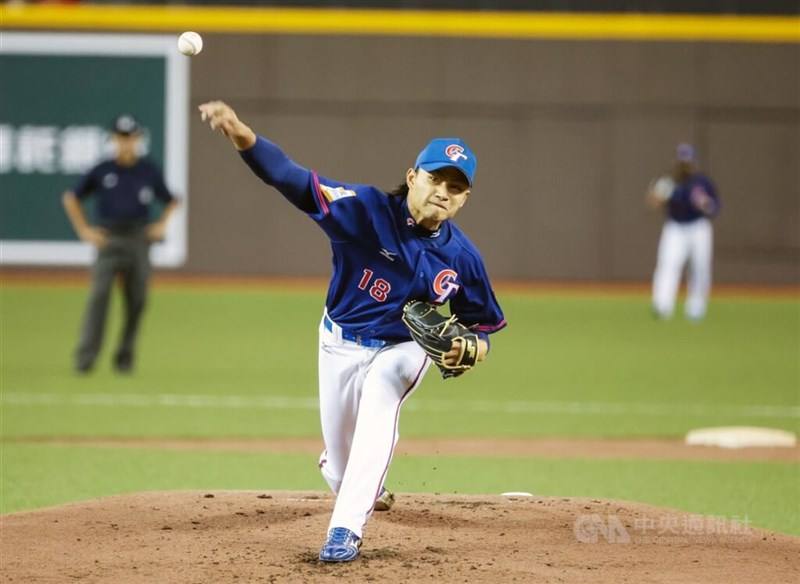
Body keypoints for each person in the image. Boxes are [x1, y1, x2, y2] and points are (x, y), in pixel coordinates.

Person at [198, 100, 506, 563]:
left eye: (455, 187)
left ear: (465, 199)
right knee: (342, 469)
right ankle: (356, 481)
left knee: (382, 399)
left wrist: (476, 348)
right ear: (412, 177)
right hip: (338, 342)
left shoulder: (463, 257)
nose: (443, 192)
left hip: (403, 348)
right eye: (436, 179)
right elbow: (289, 177)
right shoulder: (364, 210)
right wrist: (242, 134)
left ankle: (344, 531)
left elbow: (481, 325)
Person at [62, 114, 179, 373]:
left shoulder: (148, 170)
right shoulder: (102, 169)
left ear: (138, 139)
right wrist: (84, 230)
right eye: (121, 138)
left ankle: (124, 357)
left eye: (131, 138)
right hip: (109, 238)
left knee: (137, 300)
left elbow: (172, 200)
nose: (126, 143)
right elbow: (71, 198)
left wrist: (161, 225)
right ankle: (85, 359)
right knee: (99, 297)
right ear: (113, 139)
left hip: (138, 238)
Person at [647, 143, 721, 320]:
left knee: (700, 267)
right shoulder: (669, 181)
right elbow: (653, 202)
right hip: (675, 227)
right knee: (668, 264)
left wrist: (706, 204)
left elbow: (715, 207)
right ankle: (662, 305)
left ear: (693, 162)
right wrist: (657, 195)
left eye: (687, 161)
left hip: (698, 227)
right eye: (682, 161)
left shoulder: (702, 182)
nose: (684, 165)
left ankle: (696, 308)